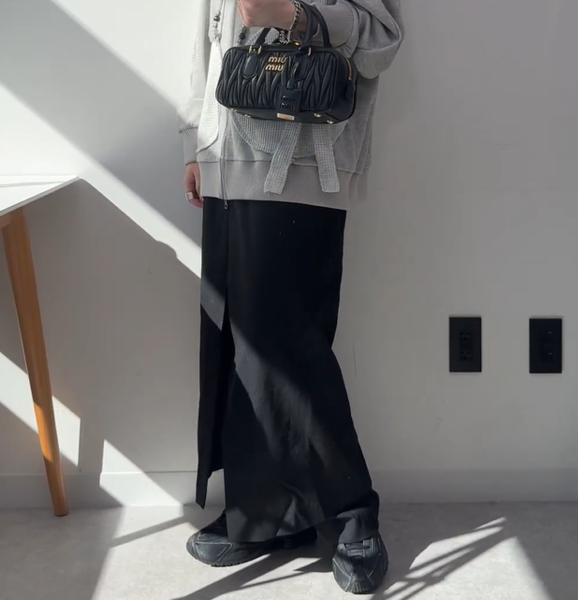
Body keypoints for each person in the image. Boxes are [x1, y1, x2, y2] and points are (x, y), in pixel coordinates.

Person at [178, 0, 403, 593]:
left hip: (302, 165)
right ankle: (267, 515)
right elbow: (205, 44)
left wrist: (292, 15)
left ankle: (352, 511)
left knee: (286, 347)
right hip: (225, 162)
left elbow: (382, 40)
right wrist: (195, 144)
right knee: (238, 345)